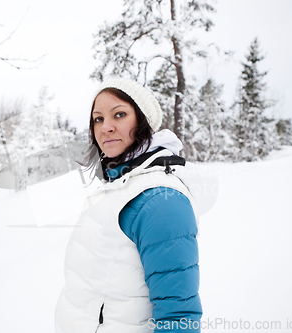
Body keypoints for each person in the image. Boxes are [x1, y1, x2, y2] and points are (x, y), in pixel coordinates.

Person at [55, 78, 202, 332]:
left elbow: (179, 313)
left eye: (119, 114)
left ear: (142, 121)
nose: (105, 127)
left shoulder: (160, 199)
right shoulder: (118, 186)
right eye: (98, 119)